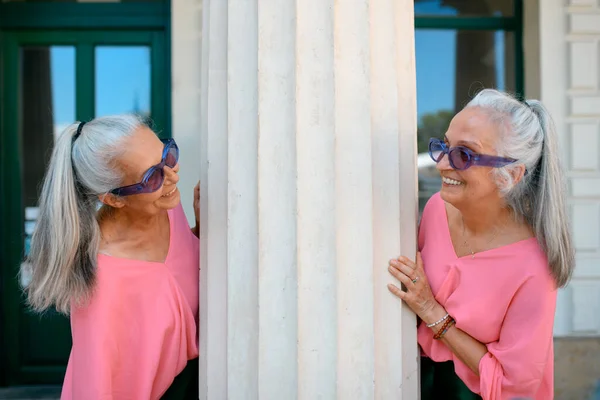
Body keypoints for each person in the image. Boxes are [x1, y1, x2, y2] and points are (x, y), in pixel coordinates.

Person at [387, 89, 574, 400]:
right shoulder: (435, 209)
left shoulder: (534, 268)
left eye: (465, 154)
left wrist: (432, 311)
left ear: (511, 174)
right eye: (444, 146)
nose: (443, 164)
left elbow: (513, 387)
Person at [22, 115, 200, 399]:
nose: (172, 175)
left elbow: (173, 279)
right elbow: (95, 387)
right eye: (151, 176)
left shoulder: (164, 207)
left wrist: (201, 231)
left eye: (168, 154)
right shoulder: (101, 283)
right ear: (113, 198)